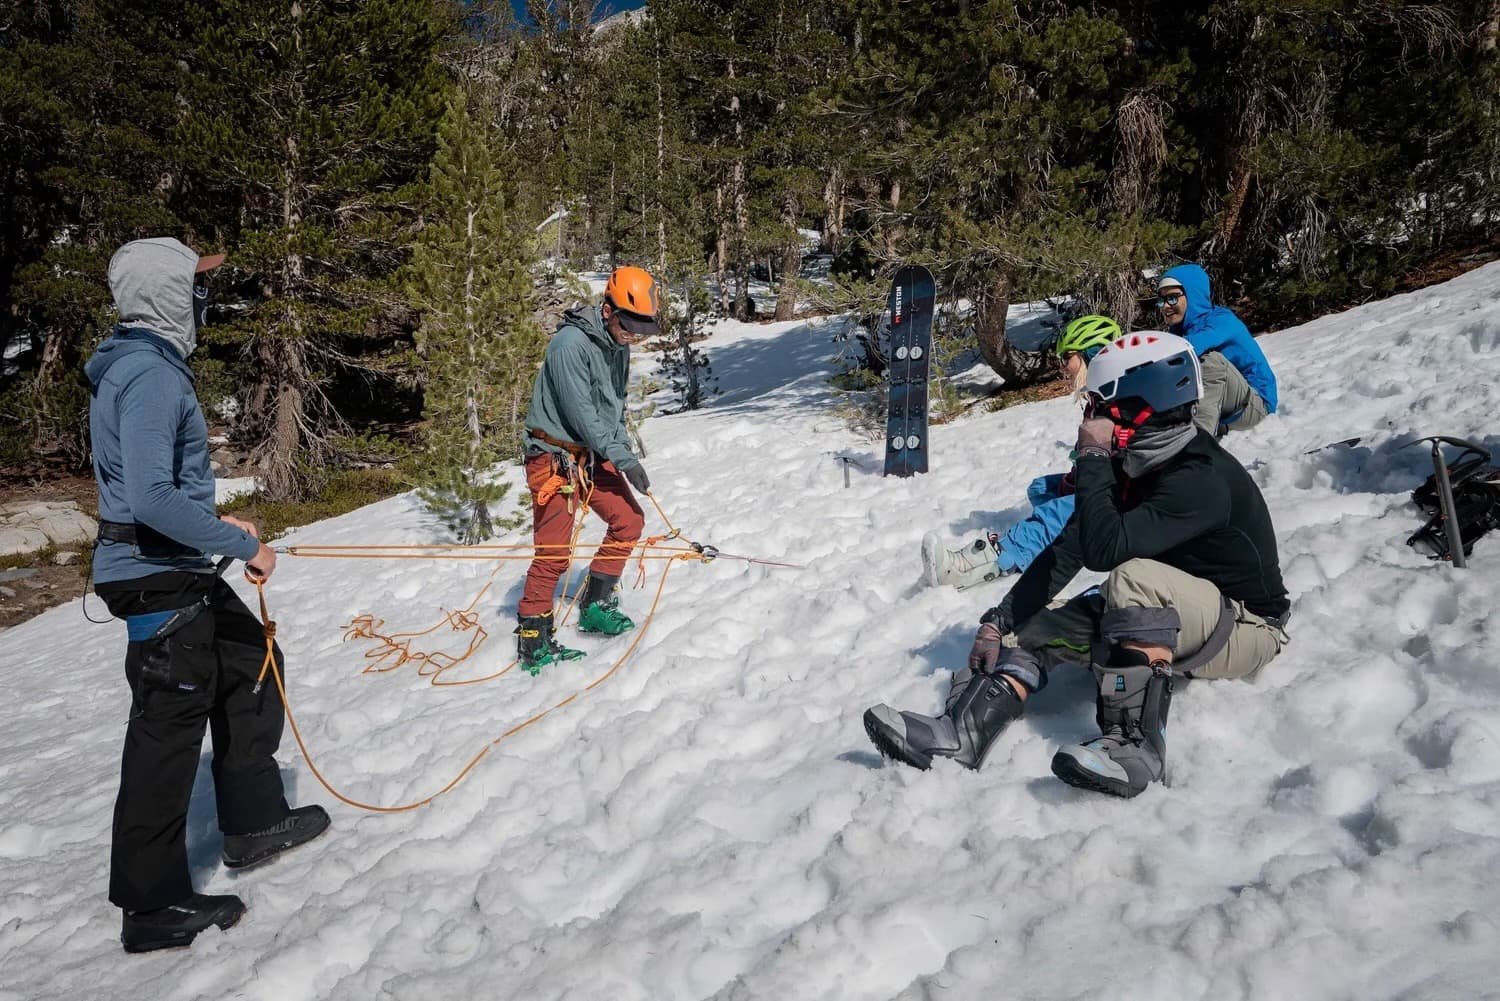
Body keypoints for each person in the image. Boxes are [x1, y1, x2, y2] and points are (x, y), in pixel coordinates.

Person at [865, 331, 1290, 798]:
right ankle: (960, 736)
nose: (1089, 416)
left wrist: (1092, 456)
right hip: (1182, 607)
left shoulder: (1198, 477)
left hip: (1247, 624)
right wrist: (999, 621)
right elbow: (1070, 547)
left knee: (1132, 580)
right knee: (1031, 627)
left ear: (1138, 404)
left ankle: (1136, 748)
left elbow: (1104, 552)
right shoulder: (1140, 464)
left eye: (1099, 405)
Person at [86, 238, 329, 953]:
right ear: (165, 291)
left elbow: (149, 491)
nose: (204, 295)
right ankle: (151, 904)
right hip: (154, 576)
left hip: (169, 562)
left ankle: (253, 821)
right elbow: (153, 497)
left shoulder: (140, 366)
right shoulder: (152, 376)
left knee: (251, 655)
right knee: (166, 732)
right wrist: (246, 546)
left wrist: (218, 528)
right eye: (195, 282)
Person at [516, 265, 661, 673]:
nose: (634, 334)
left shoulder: (619, 346)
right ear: (608, 309)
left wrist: (622, 450)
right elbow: (582, 415)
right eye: (630, 324)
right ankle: (533, 638)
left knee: (629, 521)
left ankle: (595, 604)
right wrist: (624, 458)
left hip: (592, 455)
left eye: (641, 327)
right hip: (554, 459)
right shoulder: (569, 346)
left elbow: (612, 408)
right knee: (553, 555)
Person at [921, 315, 1120, 589]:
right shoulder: (1098, 401)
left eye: (1068, 357)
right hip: (1105, 489)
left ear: (1093, 354)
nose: (1063, 367)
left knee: (1058, 510)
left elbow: (1118, 467)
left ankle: (969, 567)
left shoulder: (1119, 404)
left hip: (1122, 503)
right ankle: (1063, 532)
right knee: (1041, 490)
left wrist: (1081, 489)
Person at [1155, 263, 1277, 437]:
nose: (1165, 306)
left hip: (1257, 406)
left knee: (1209, 361)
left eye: (1172, 298)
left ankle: (1197, 444)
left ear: (1193, 295)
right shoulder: (1179, 331)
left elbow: (1192, 346)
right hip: (1228, 409)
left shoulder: (1221, 320)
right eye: (1162, 300)